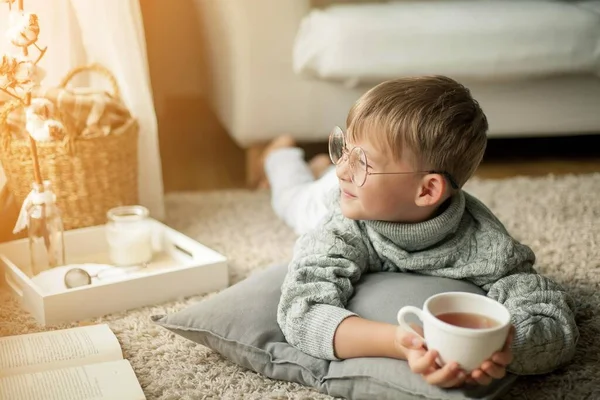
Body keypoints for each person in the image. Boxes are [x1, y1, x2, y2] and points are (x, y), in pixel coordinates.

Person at [262, 76, 578, 388]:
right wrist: (401, 342)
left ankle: (320, 166)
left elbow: (552, 321)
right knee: (290, 200)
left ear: (427, 191)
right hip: (332, 201)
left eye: (362, 161)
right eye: (344, 149)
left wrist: (501, 346)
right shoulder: (341, 222)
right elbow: (299, 312)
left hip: (368, 195)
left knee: (329, 176)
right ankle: (279, 154)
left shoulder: (487, 245)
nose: (344, 168)